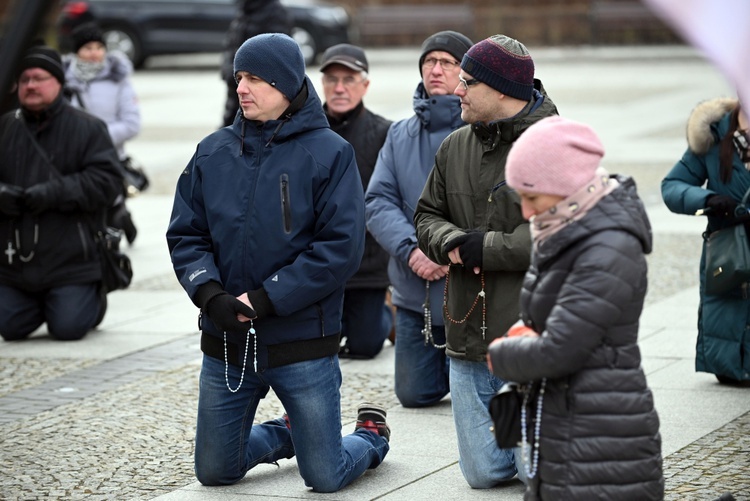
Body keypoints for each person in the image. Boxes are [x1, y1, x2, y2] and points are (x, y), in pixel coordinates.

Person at [166, 33, 390, 491]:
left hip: (302, 341)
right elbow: (186, 234)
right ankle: (286, 432)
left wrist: (266, 299)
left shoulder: (331, 152)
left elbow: (339, 249)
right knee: (214, 472)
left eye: (254, 78)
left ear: (286, 84)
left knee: (325, 476)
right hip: (228, 340)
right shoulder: (212, 151)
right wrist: (209, 294)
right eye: (239, 77)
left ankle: (370, 437)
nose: (241, 88)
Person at [488, 115, 664, 500]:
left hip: (601, 434)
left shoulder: (608, 246)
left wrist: (501, 354)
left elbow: (559, 349)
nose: (526, 213)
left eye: (532, 198)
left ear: (567, 187)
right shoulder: (565, 228)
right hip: (569, 419)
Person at [413, 34, 558, 488]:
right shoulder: (455, 144)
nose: (456, 89)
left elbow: (562, 232)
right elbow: (425, 215)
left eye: (468, 82)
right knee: (482, 475)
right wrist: (452, 242)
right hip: (467, 339)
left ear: (501, 90)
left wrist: (486, 248)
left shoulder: (555, 145)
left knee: (534, 475)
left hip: (529, 342)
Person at [365, 30, 472, 407]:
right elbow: (377, 201)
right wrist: (413, 251)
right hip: (416, 294)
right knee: (414, 394)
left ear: (467, 72)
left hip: (472, 291)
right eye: (429, 61)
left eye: (447, 62)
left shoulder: (483, 131)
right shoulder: (400, 134)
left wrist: (447, 251)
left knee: (474, 395)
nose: (436, 69)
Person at [0, 44, 123, 341]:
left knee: (68, 328)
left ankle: (88, 300)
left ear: (58, 82)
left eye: (39, 78)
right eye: (25, 79)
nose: (31, 85)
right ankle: (44, 303)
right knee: (9, 327)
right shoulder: (5, 127)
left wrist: (52, 192)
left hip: (71, 261)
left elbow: (107, 182)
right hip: (16, 262)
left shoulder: (88, 128)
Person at [662, 98, 750, 386]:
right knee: (729, 305)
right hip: (729, 248)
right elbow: (672, 186)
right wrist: (709, 199)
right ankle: (732, 364)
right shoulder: (713, 134)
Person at [320, 43, 393, 359]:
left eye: (349, 79)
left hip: (367, 264)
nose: (339, 88)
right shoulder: (304, 130)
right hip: (318, 261)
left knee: (365, 346)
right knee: (323, 342)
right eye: (332, 79)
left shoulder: (384, 133)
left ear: (365, 85)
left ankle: (389, 314)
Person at [62, 21, 142, 245]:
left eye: (99, 47)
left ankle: (120, 222)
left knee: (109, 210)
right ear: (77, 51)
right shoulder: (63, 81)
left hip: (110, 158)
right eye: (88, 48)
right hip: (75, 158)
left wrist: (96, 137)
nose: (94, 53)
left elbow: (132, 123)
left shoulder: (119, 79)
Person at [220, 0, 292, 127]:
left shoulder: (275, 12)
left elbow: (276, 54)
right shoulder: (244, 9)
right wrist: (228, 70)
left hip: (258, 90)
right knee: (229, 131)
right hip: (235, 86)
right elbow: (231, 43)